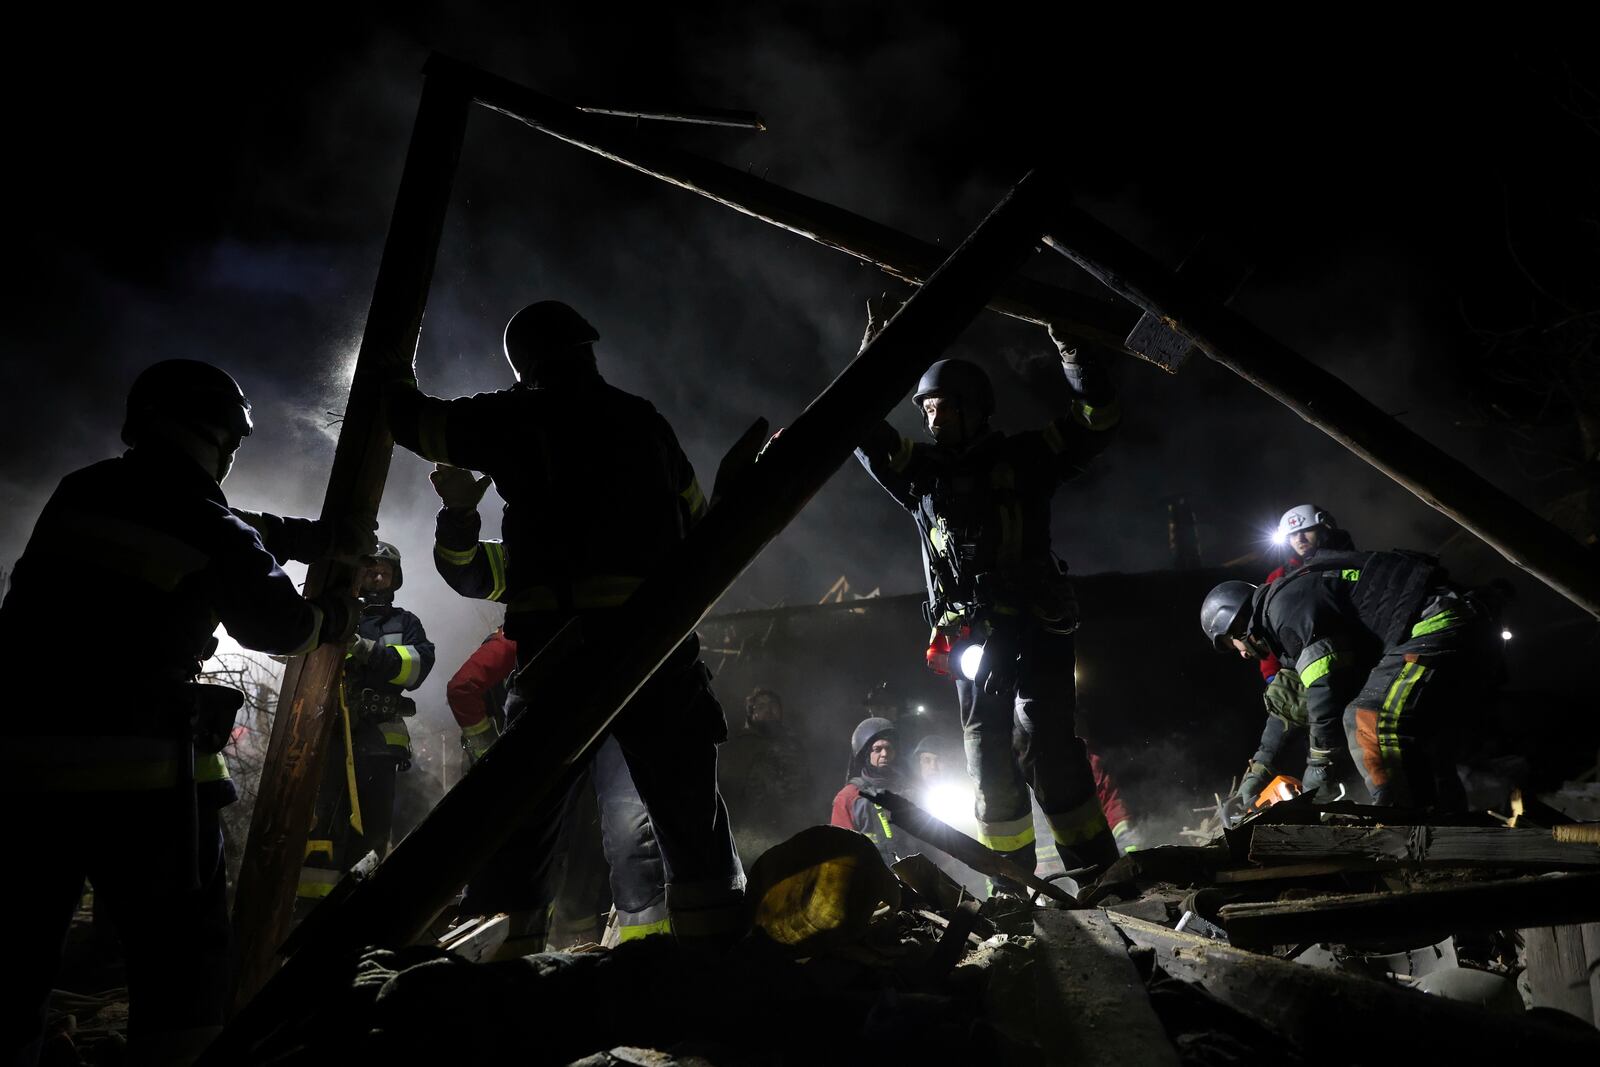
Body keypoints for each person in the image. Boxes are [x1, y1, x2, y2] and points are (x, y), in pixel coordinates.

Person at [1, 360, 360, 1066]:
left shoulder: (85, 490)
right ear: (222, 437)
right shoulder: (205, 520)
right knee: (182, 962)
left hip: (22, 770)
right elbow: (278, 623)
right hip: (143, 782)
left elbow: (219, 526)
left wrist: (303, 538)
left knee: (14, 952)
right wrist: (334, 615)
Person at [385, 299, 744, 942]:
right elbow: (696, 522)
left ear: (524, 364)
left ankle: (504, 970)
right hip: (655, 645)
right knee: (692, 818)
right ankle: (717, 963)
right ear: (588, 349)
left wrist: (391, 366)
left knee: (521, 819)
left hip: (561, 653)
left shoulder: (517, 418)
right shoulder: (644, 421)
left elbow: (412, 423)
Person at [854, 300, 1122, 879]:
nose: (931, 419)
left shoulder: (1026, 457)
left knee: (1054, 756)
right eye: (925, 408)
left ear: (975, 409)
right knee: (988, 765)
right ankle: (1015, 889)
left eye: (943, 407)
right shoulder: (920, 473)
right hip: (972, 639)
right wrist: (873, 361)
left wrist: (1076, 356)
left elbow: (1096, 421)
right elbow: (861, 431)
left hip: (1038, 626)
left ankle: (1099, 875)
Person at [430, 491, 671, 946]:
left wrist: (488, 750)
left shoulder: (543, 561)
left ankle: (515, 950)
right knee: (618, 836)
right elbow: (468, 574)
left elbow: (469, 582)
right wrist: (459, 514)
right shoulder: (564, 557)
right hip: (613, 703)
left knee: (536, 836)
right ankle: (640, 951)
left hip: (571, 710)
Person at [1201, 548, 1504, 808]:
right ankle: (1445, 830)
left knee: (1367, 717)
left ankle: (1405, 827)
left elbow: (1324, 686)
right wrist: (1258, 774)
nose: (1241, 654)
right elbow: (1289, 701)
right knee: (1422, 743)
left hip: (1437, 623)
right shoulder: (1285, 613)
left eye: (1233, 644)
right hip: (1445, 622)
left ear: (1238, 623)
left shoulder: (1284, 611)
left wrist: (1320, 763)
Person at [297, 542, 434, 904]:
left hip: (378, 742)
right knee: (321, 827)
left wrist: (364, 648)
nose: (376, 576)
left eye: (384, 572)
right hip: (327, 739)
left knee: (371, 832)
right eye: (370, 569)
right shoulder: (334, 612)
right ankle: (309, 918)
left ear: (394, 579)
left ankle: (359, 915)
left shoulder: (404, 623)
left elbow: (417, 668)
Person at [718, 688, 816, 863]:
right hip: (754, 831)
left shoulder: (793, 745)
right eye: (761, 706)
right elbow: (729, 790)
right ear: (751, 713)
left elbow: (808, 784)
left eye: (773, 705)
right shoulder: (740, 747)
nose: (768, 709)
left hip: (794, 826)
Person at [829, 717, 913, 865]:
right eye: (877, 749)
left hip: (914, 876)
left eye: (889, 748)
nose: (885, 754)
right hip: (871, 880)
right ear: (866, 754)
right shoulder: (848, 798)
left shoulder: (909, 791)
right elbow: (840, 852)